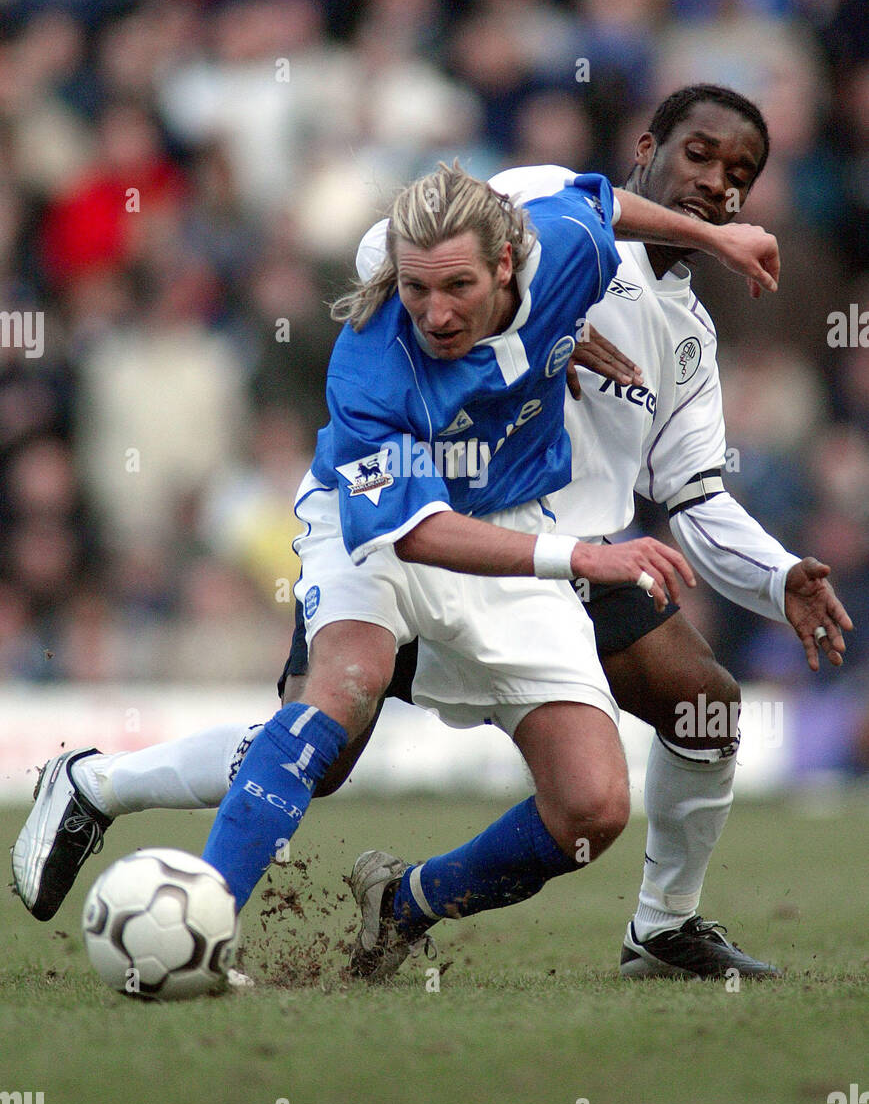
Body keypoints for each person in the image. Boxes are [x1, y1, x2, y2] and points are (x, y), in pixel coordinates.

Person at [11, 155, 777, 962]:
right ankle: (198, 919)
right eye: (415, 289)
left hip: (513, 516)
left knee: (591, 807)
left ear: (508, 263)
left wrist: (712, 238)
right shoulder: (373, 362)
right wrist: (580, 557)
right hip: (377, 529)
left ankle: (406, 900)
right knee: (334, 711)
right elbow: (416, 535)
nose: (435, 314)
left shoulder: (569, 248)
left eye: (456, 288)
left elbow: (599, 201)